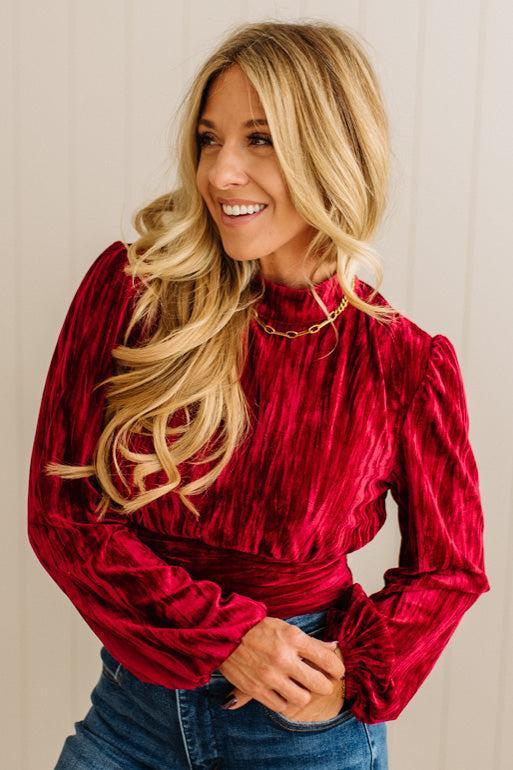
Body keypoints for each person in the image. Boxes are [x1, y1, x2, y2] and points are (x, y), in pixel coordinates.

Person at [27, 20, 490, 770]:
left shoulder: (403, 363)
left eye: (261, 139)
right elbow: (63, 515)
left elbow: (450, 567)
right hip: (129, 715)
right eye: (210, 140)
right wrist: (227, 638)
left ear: (332, 151)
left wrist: (357, 677)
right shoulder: (132, 291)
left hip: (301, 730)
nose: (219, 174)